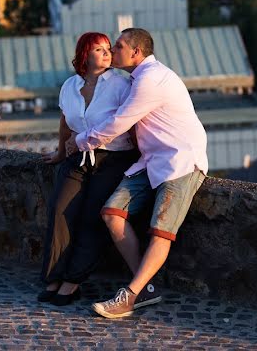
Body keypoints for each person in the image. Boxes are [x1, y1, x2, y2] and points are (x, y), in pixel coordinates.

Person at [67, 28, 208, 319]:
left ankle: (129, 296)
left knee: (161, 230)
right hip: (151, 160)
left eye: (118, 46)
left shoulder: (151, 80)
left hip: (180, 160)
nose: (112, 50)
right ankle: (144, 288)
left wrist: (80, 141)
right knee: (111, 213)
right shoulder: (136, 78)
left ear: (136, 53)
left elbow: (119, 123)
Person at [38, 32, 139, 306]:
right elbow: (65, 123)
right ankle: (54, 276)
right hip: (77, 158)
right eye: (99, 49)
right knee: (60, 209)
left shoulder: (120, 83)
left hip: (113, 159)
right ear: (84, 54)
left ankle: (73, 282)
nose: (107, 53)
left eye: (109, 48)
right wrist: (60, 153)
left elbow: (133, 122)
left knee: (91, 217)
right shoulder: (69, 86)